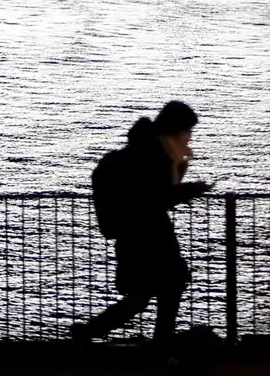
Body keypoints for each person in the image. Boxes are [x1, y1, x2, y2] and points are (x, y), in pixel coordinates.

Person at [74, 100, 211, 345]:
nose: (188, 137)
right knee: (165, 290)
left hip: (132, 234)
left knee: (142, 295)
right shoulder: (156, 155)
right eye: (186, 131)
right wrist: (190, 187)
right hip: (150, 234)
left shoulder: (139, 151)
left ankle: (89, 333)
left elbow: (153, 194)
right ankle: (157, 347)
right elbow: (158, 196)